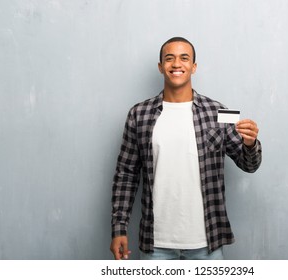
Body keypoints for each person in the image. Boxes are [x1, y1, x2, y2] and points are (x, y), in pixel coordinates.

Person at [110, 37, 262, 260]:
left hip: (207, 242)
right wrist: (119, 227)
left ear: (194, 66)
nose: (177, 64)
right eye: (169, 58)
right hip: (155, 245)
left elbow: (249, 165)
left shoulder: (217, 112)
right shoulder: (138, 114)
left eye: (184, 58)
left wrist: (250, 144)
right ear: (161, 67)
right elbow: (126, 175)